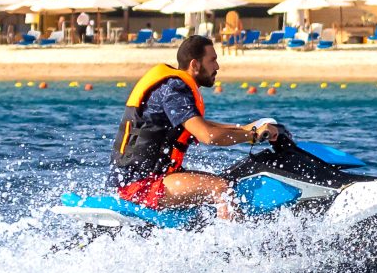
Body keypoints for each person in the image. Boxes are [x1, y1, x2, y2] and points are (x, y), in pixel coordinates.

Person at [109, 34, 278, 218]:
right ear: (195, 65)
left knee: (228, 180)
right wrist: (252, 136)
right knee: (221, 188)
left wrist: (245, 128)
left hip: (147, 179)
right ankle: (232, 243)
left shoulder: (174, 87)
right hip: (139, 185)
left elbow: (200, 125)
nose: (217, 66)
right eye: (212, 60)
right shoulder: (174, 90)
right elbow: (208, 135)